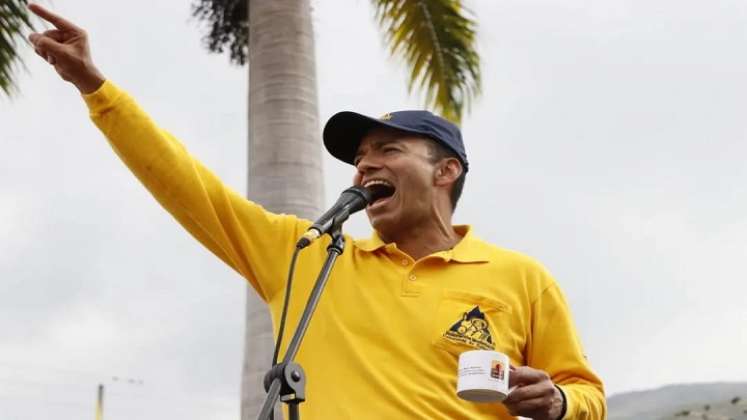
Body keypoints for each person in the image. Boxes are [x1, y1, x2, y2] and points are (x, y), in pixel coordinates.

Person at [27, 4, 606, 419]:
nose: (364, 167)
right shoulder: (305, 255)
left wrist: (557, 402)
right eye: (359, 158)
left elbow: (587, 395)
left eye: (387, 149)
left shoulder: (522, 278)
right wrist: (96, 88)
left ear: (446, 170)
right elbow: (186, 185)